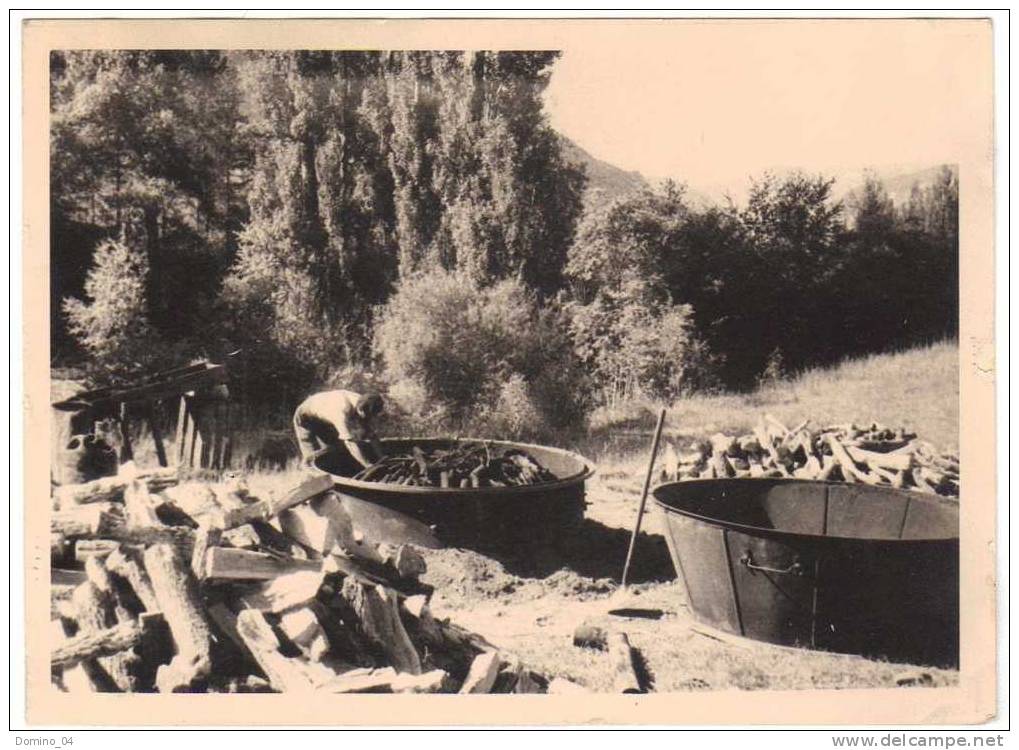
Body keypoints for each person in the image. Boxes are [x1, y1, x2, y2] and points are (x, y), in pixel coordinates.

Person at [292, 389, 385, 474]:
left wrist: (382, 458)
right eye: (366, 416)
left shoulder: (364, 401)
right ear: (360, 410)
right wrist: (368, 466)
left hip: (324, 416)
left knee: (336, 449)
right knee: (313, 460)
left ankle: (337, 473)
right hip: (305, 418)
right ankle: (307, 478)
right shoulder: (340, 411)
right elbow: (350, 443)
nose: (367, 420)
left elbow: (371, 435)